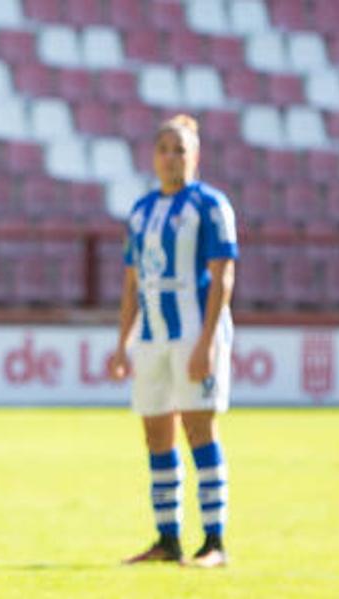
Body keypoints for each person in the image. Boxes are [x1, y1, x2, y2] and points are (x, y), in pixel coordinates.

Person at [106, 114, 237, 568]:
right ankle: (167, 539)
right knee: (156, 434)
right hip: (153, 337)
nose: (170, 157)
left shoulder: (211, 206)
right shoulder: (141, 212)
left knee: (199, 430)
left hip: (193, 333)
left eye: (179, 149)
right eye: (163, 148)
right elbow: (130, 284)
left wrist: (207, 343)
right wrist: (122, 343)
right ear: (153, 156)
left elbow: (223, 275)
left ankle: (215, 541)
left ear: (195, 155)